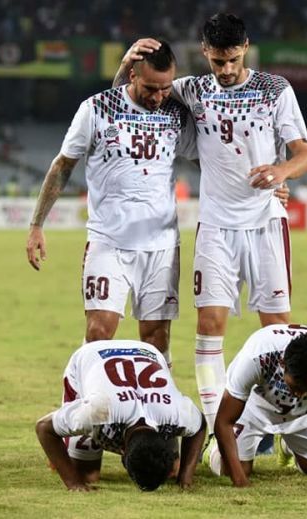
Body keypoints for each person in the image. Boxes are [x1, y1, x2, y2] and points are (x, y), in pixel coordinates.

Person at [115, 14, 307, 434]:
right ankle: (216, 431)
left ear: (246, 48)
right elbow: (128, 107)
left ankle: (274, 427)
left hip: (265, 223)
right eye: (217, 61)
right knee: (208, 328)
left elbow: (304, 155)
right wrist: (124, 64)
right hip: (216, 225)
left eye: (233, 60)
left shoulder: (275, 89)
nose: (225, 70)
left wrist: (281, 172)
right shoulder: (190, 89)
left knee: (277, 332)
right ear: (204, 52)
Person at [25, 41, 196, 364]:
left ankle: (153, 412)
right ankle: (83, 405)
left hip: (161, 245)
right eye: (150, 88)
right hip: (109, 242)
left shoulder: (174, 114)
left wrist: (266, 181)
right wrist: (36, 225)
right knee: (99, 332)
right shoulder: (97, 109)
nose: (158, 96)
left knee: (157, 338)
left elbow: (210, 159)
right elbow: (63, 165)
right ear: (132, 75)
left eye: (164, 88)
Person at [35, 339, 206, 491]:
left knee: (169, 471)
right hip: (90, 357)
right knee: (86, 475)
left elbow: (199, 425)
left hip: (146, 352)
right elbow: (44, 428)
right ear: (122, 454)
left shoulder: (176, 414)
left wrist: (185, 478)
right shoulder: (97, 411)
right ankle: (67, 449)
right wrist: (73, 483)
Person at [206, 324, 307, 488]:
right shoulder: (258, 355)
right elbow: (224, 421)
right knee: (231, 469)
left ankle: (288, 445)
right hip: (255, 406)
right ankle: (212, 448)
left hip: (305, 412)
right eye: (295, 387)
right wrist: (240, 481)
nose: (299, 395)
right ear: (282, 363)